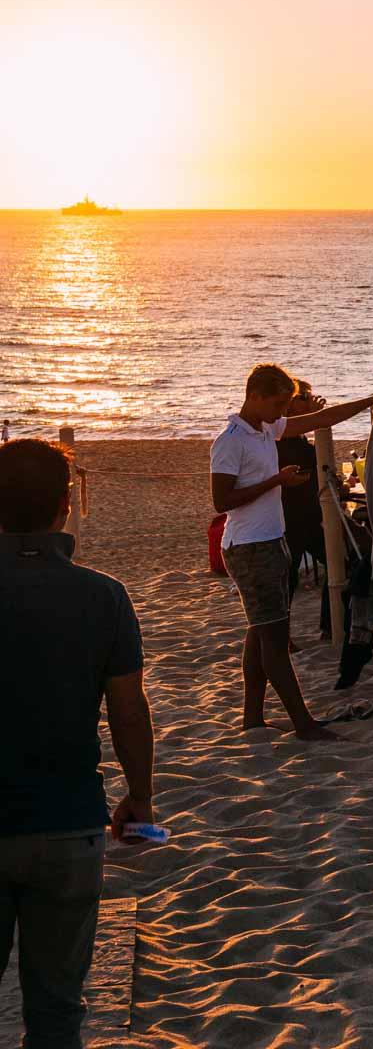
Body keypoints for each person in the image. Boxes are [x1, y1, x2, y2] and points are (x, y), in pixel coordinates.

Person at [1, 439, 156, 1046]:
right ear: (65, 507)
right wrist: (140, 795)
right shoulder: (103, 595)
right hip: (67, 825)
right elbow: (127, 709)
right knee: (58, 1011)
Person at [211, 364, 373, 739]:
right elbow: (221, 500)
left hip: (270, 540)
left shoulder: (267, 428)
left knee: (260, 631)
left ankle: (253, 717)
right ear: (255, 396)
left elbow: (323, 418)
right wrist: (277, 481)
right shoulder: (231, 440)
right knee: (274, 639)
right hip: (248, 547)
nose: (284, 412)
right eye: (279, 403)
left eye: (287, 403)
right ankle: (303, 723)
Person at [276, 379, 330, 640]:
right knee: (288, 579)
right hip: (290, 518)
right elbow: (315, 459)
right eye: (303, 396)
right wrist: (318, 419)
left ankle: (330, 627)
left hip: (310, 517)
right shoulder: (282, 439)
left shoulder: (298, 438)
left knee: (340, 562)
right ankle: (283, 638)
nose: (309, 399)